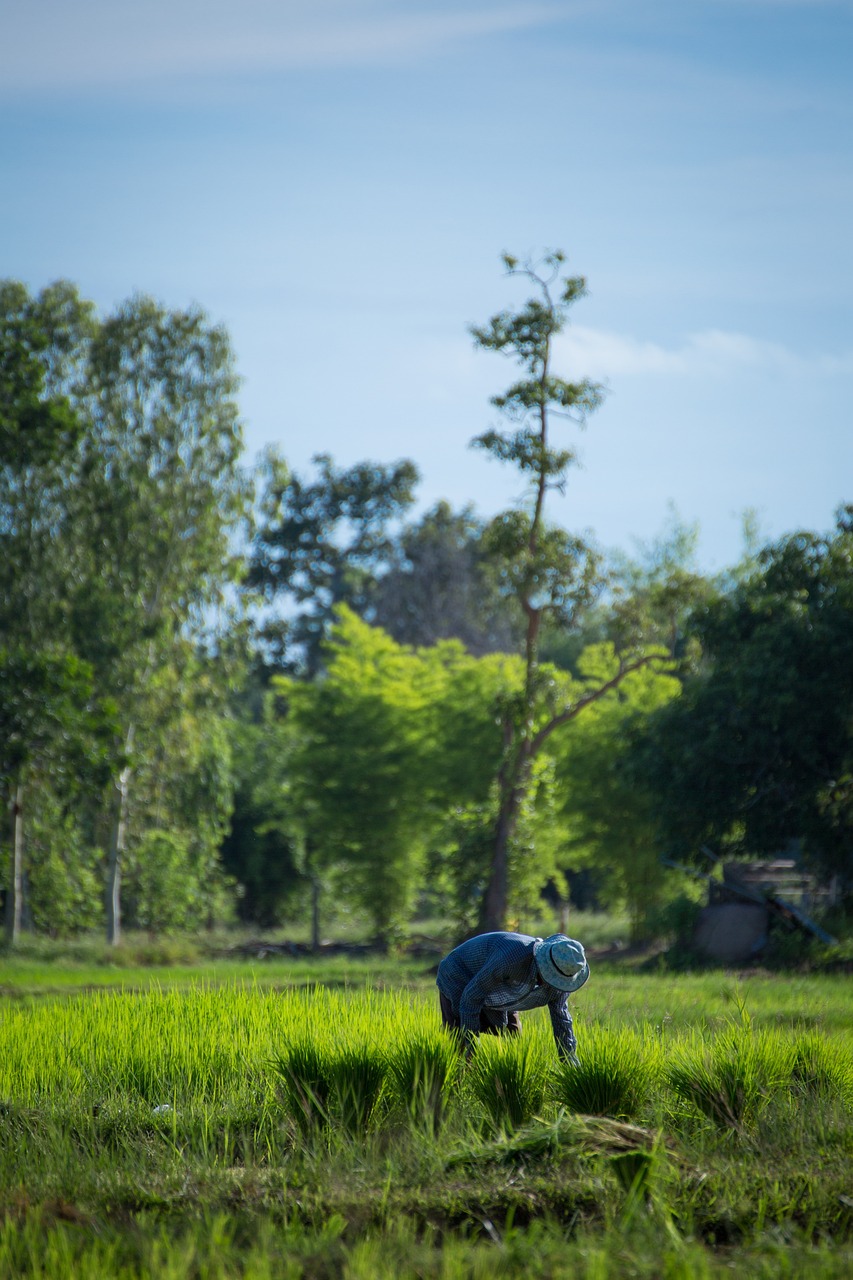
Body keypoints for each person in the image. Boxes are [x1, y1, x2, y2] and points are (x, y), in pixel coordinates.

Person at [436, 931, 589, 1063]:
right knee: (460, 1044)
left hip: (501, 989)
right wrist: (472, 1047)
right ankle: (452, 1090)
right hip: (459, 973)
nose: (555, 985)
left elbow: (562, 1021)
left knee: (513, 1038)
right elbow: (470, 998)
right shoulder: (512, 959)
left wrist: (570, 1063)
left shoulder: (562, 980)